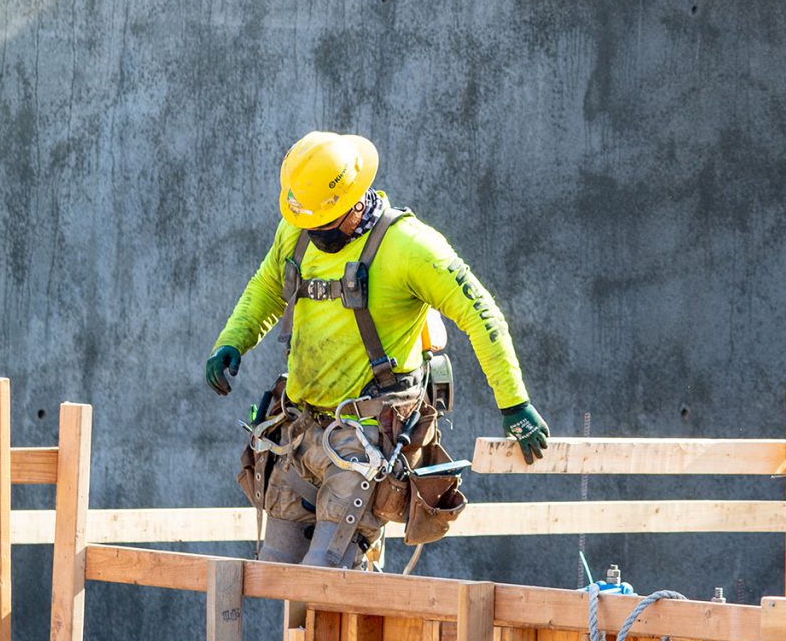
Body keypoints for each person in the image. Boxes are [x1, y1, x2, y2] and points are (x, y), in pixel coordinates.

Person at [205, 129, 549, 569]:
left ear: (354, 201)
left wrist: (514, 402)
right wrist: (233, 340)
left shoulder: (410, 247)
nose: (314, 233)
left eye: (324, 225)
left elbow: (482, 315)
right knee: (275, 568)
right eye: (309, 225)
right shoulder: (298, 228)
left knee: (326, 574)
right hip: (299, 430)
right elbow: (267, 287)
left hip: (363, 440)